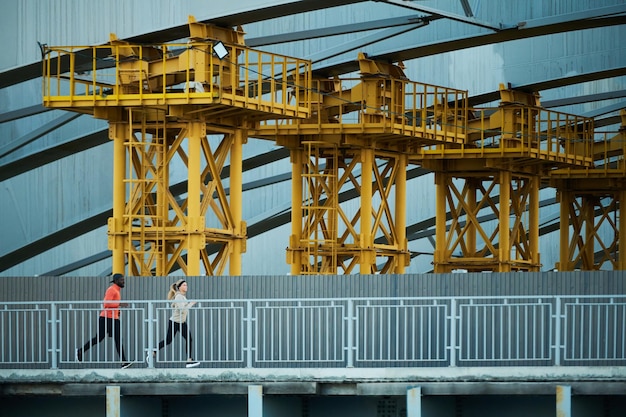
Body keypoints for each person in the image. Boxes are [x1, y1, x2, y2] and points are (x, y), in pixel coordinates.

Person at [75, 273, 132, 369]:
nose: (123, 281)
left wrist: (118, 311)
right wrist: (120, 304)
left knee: (118, 339)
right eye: (122, 280)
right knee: (99, 338)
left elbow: (112, 304)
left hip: (114, 318)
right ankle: (80, 351)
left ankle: (124, 362)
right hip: (106, 318)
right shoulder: (111, 290)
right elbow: (106, 303)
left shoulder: (117, 291)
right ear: (116, 281)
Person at [148, 279, 200, 368]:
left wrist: (189, 304)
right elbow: (181, 309)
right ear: (179, 287)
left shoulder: (182, 296)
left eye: (186, 285)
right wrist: (191, 304)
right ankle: (153, 350)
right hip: (175, 322)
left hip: (181, 322)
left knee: (188, 338)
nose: (186, 286)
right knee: (169, 340)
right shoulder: (179, 296)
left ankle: (189, 360)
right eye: (184, 285)